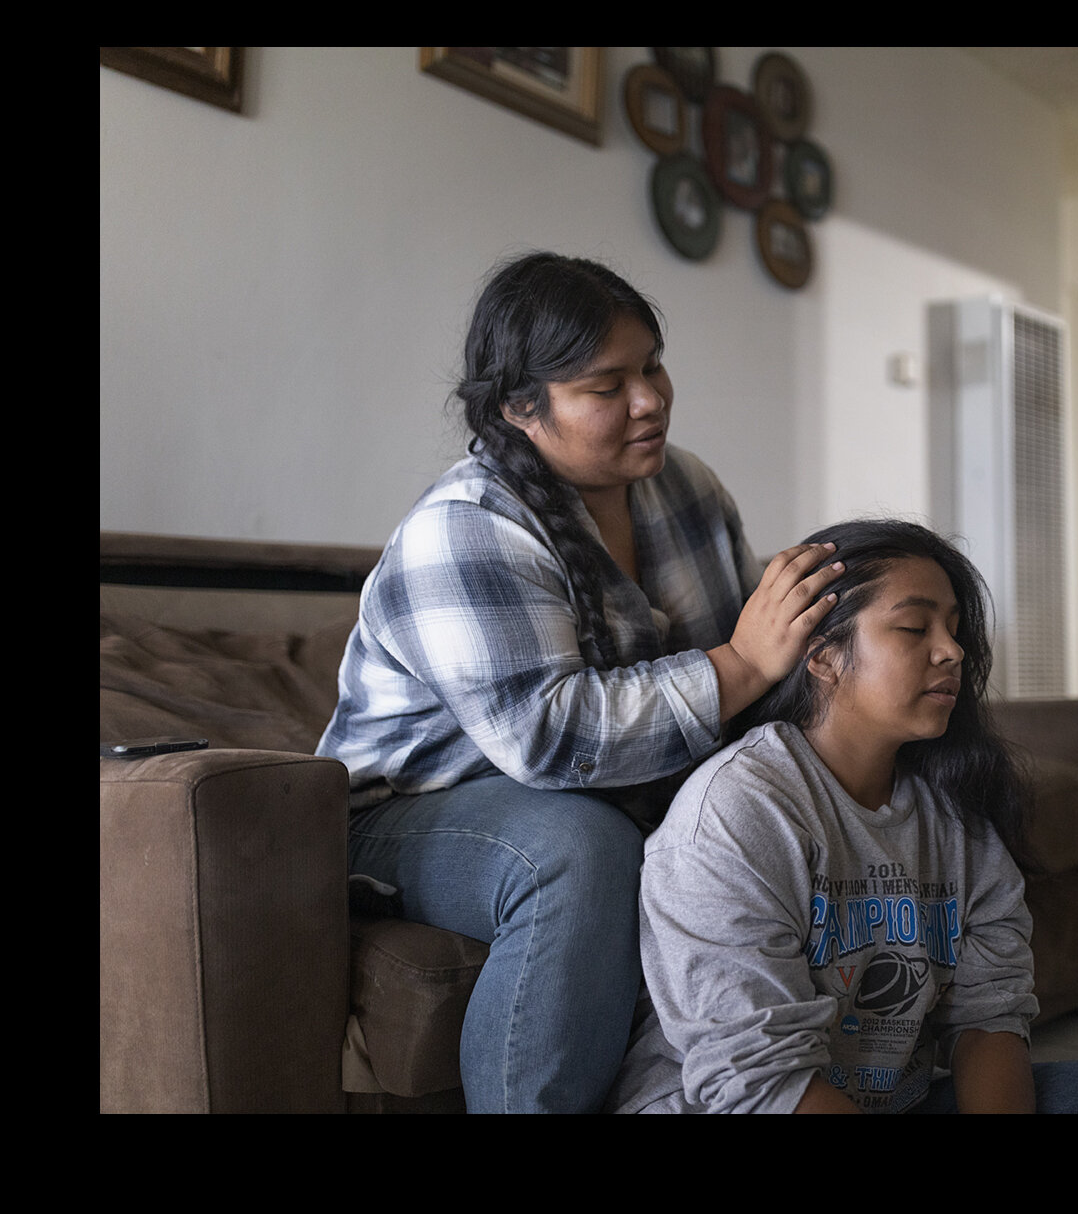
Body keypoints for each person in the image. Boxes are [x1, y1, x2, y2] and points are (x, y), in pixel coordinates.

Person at [316, 251, 841, 1112]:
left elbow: (757, 673)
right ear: (521, 408)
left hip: (599, 792)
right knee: (577, 845)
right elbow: (550, 739)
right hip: (408, 811)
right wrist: (741, 665)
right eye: (607, 387)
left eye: (653, 365)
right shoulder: (466, 528)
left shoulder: (687, 488)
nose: (650, 399)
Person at [605, 519, 1078, 1114]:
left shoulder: (955, 809)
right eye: (913, 627)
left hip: (886, 1101)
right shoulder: (737, 812)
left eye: (955, 629)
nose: (952, 651)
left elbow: (989, 1017)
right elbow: (760, 1082)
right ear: (823, 658)